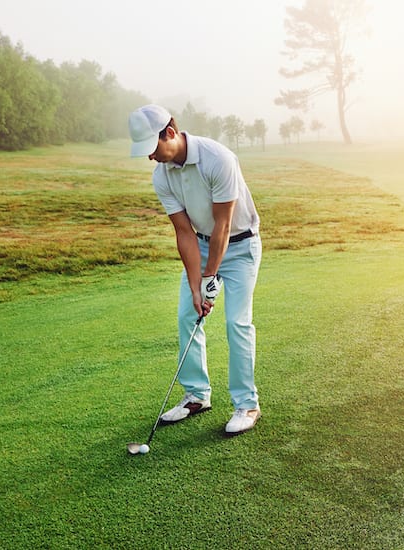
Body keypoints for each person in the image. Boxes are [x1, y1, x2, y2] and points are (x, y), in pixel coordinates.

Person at [128, 104, 263, 435]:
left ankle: (247, 404)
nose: (150, 157)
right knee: (188, 314)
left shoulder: (218, 159)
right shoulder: (162, 175)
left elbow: (223, 224)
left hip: (241, 244)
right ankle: (196, 396)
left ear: (170, 134)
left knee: (237, 322)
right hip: (202, 244)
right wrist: (195, 286)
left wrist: (209, 279)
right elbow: (184, 233)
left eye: (153, 148)